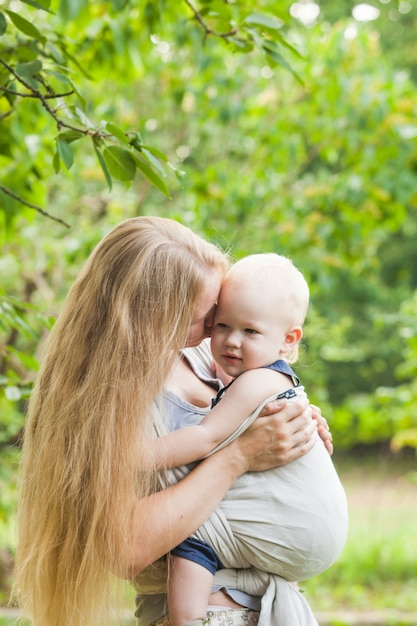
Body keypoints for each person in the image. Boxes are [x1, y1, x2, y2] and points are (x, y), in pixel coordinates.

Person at [11, 217, 331, 626]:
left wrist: (295, 421)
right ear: (153, 318)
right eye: (207, 317)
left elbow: (249, 413)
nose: (218, 329)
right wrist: (239, 455)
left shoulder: (206, 358)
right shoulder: (103, 402)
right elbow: (124, 549)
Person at [149, 253, 348, 626]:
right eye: (222, 325)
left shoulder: (256, 382)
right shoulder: (264, 379)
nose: (231, 341)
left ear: (288, 340)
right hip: (312, 537)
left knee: (191, 538)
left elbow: (205, 437)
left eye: (250, 331)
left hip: (299, 530)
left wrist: (137, 456)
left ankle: (188, 618)